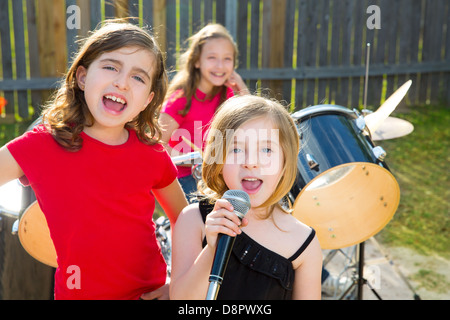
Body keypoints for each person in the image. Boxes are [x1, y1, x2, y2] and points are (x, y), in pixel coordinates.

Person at [0, 21, 188, 300]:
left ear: (147, 100)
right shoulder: (41, 145)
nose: (122, 82)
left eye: (138, 77)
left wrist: (178, 284)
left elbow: (185, 220)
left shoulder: (152, 154)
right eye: (111, 67)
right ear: (82, 77)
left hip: (147, 294)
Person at [170, 95, 323, 300]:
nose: (251, 162)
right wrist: (212, 249)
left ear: (286, 161)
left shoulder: (305, 242)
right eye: (236, 149)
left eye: (266, 149)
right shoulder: (193, 220)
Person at [159, 24, 249, 201]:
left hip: (216, 175)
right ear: (197, 61)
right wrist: (192, 158)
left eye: (227, 59)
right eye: (212, 58)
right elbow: (157, 143)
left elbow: (252, 123)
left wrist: (242, 89)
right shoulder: (181, 99)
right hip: (185, 178)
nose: (220, 65)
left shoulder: (227, 93)